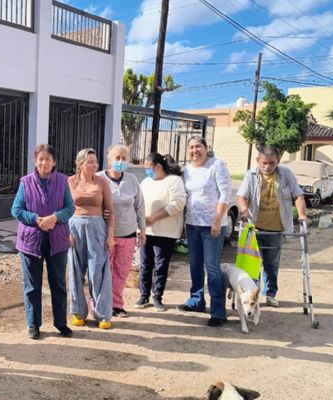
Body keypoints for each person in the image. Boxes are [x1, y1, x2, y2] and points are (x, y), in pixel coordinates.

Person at [11, 144, 76, 340]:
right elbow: (17, 210)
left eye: (48, 159)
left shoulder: (63, 181)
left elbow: (70, 208)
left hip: (57, 239)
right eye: (40, 159)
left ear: (54, 162)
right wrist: (36, 219)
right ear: (35, 161)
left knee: (58, 283)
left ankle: (60, 322)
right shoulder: (26, 182)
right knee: (32, 285)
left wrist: (55, 218)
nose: (44, 162)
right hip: (31, 240)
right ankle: (33, 324)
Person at [237, 146, 309, 307]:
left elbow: (298, 195)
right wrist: (244, 211)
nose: (267, 167)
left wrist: (302, 215)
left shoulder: (286, 174)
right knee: (252, 264)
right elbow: (242, 196)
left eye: (271, 163)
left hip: (276, 229)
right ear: (258, 161)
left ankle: (270, 294)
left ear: (278, 161)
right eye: (264, 163)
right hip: (254, 229)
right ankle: (251, 295)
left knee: (271, 264)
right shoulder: (251, 175)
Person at [178, 137, 233, 327]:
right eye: (191, 147)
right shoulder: (187, 170)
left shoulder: (217, 165)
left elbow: (225, 193)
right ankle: (196, 301)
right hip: (192, 224)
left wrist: (217, 221)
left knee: (212, 266)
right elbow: (185, 197)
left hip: (212, 226)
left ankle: (218, 311)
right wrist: (184, 224)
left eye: (198, 147)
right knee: (194, 265)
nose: (195, 150)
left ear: (206, 148)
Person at [68, 148, 115, 329]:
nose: (94, 165)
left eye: (96, 162)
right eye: (90, 162)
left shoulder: (102, 182)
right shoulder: (69, 182)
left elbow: (110, 210)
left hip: (97, 228)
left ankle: (103, 314)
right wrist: (66, 232)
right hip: (75, 228)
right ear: (80, 164)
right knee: (75, 270)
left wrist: (110, 236)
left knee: (98, 271)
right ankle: (78, 312)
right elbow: (63, 207)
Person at [96, 144, 145, 318]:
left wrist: (143, 230)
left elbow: (140, 206)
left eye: (124, 158)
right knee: (102, 270)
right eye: (117, 158)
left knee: (121, 271)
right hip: (104, 234)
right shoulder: (99, 178)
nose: (121, 161)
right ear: (109, 159)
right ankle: (99, 304)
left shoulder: (132, 180)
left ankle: (117, 304)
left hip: (128, 233)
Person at [136, 153, 187, 312]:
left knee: (160, 265)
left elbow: (177, 204)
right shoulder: (145, 182)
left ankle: (157, 296)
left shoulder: (174, 181)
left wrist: (154, 218)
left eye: (148, 168)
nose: (147, 172)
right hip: (146, 230)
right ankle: (143, 295)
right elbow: (138, 202)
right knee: (145, 264)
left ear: (157, 166)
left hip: (165, 232)